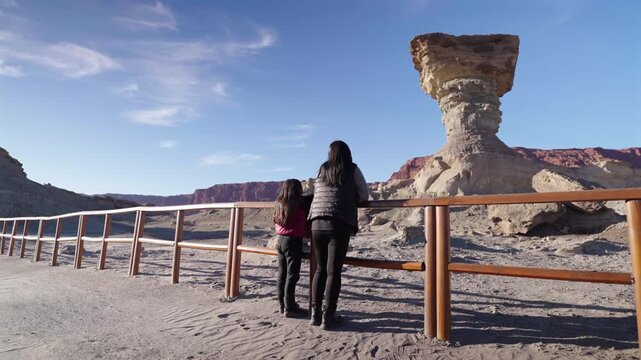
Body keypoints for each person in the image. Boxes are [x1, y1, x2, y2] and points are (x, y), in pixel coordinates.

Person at [308, 140, 369, 330]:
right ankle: (328, 317)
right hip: (339, 222)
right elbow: (364, 195)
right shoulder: (352, 169)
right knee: (333, 272)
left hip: (316, 222)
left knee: (319, 270)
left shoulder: (322, 169)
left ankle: (315, 314)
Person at [273, 179, 312, 319]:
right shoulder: (299, 203)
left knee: (282, 274)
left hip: (280, 240)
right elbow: (310, 198)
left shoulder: (279, 202)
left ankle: (282, 305)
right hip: (293, 241)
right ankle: (290, 307)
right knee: (292, 275)